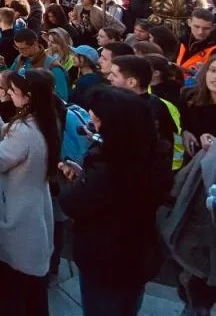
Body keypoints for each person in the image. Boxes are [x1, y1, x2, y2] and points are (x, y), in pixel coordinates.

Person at [57, 86, 170, 316]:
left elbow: (73, 203)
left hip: (106, 257)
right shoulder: (153, 154)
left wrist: (77, 182)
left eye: (97, 121)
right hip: (139, 252)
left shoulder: (109, 165)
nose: (93, 126)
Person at [0, 68, 58, 316]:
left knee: (16, 286)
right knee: (31, 288)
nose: (9, 94)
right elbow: (12, 141)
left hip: (18, 213)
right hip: (32, 205)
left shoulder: (26, 130)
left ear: (29, 96)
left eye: (14, 91)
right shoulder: (43, 121)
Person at [108, 54, 180, 171]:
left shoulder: (147, 110)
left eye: (114, 75)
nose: (109, 78)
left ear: (131, 82)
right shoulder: (120, 103)